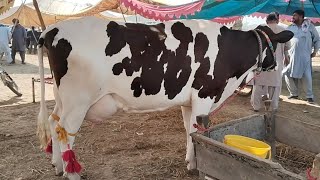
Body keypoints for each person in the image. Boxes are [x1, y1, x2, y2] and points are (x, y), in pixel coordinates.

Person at [250, 12, 291, 111]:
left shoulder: (259, 30)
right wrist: (286, 57)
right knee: (274, 85)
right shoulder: (282, 30)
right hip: (276, 63)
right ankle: (273, 107)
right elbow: (287, 47)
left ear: (266, 21)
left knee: (259, 84)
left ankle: (256, 106)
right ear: (277, 20)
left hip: (262, 62)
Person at [283, 10, 320, 104]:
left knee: (306, 76)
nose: (293, 17)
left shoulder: (309, 26)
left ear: (301, 16)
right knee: (287, 74)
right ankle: (294, 93)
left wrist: (315, 51)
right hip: (292, 56)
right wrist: (285, 55)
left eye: (295, 15)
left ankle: (309, 96)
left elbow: (317, 39)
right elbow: (284, 41)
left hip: (305, 57)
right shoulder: (290, 27)